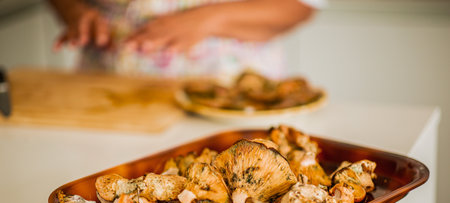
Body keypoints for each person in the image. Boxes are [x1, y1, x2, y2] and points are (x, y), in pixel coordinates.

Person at [49, 0, 324, 81]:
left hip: (233, 89)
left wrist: (208, 19)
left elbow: (300, 6)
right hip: (107, 83)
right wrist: (74, 11)